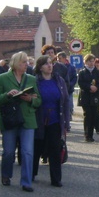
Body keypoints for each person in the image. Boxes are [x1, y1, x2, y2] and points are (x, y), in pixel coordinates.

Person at [0, 52, 40, 192]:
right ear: (16, 63)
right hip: (10, 119)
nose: (27, 64)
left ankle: (26, 181)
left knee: (27, 152)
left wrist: (30, 99)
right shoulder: (2, 78)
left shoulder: (31, 79)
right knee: (8, 152)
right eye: (24, 62)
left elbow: (39, 100)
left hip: (27, 119)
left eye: (27, 62)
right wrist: (7, 95)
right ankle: (6, 175)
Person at [32, 55, 69, 187]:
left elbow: (65, 102)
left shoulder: (58, 80)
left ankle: (56, 178)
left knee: (55, 149)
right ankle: (31, 173)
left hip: (55, 119)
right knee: (37, 147)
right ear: (40, 67)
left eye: (51, 63)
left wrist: (66, 123)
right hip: (39, 119)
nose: (50, 66)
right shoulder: (35, 81)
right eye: (46, 64)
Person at [77, 54, 99, 143]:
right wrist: (89, 87)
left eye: (92, 61)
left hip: (95, 96)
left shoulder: (98, 72)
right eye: (89, 61)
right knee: (87, 115)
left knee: (94, 116)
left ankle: (91, 134)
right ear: (85, 62)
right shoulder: (82, 72)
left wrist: (96, 87)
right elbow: (81, 83)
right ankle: (87, 135)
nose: (91, 63)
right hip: (86, 96)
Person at [57, 51, 77, 129]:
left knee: (69, 106)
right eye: (57, 58)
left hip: (69, 91)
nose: (58, 60)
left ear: (65, 59)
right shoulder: (56, 67)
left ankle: (67, 122)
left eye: (60, 58)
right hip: (59, 90)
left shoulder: (71, 67)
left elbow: (74, 78)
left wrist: (70, 85)